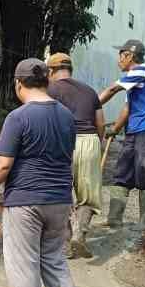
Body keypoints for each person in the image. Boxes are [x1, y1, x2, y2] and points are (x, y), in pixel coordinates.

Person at [0, 59, 82, 287]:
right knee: (54, 259)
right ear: (48, 81)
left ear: (18, 84)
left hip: (25, 199)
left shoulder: (17, 117)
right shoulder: (66, 115)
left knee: (24, 262)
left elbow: (3, 165)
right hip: (59, 198)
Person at [98, 39, 145, 230]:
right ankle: (114, 219)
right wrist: (116, 129)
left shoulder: (141, 71)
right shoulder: (133, 78)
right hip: (134, 130)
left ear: (129, 56)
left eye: (120, 56)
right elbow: (128, 107)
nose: (118, 60)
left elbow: (112, 89)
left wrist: (91, 104)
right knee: (122, 172)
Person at [46, 52, 104, 259]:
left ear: (51, 71)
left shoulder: (48, 90)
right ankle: (80, 235)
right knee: (88, 196)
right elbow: (100, 124)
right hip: (89, 141)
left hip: (61, 143)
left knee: (61, 194)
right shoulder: (89, 91)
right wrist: (99, 143)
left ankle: (67, 241)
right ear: (70, 69)